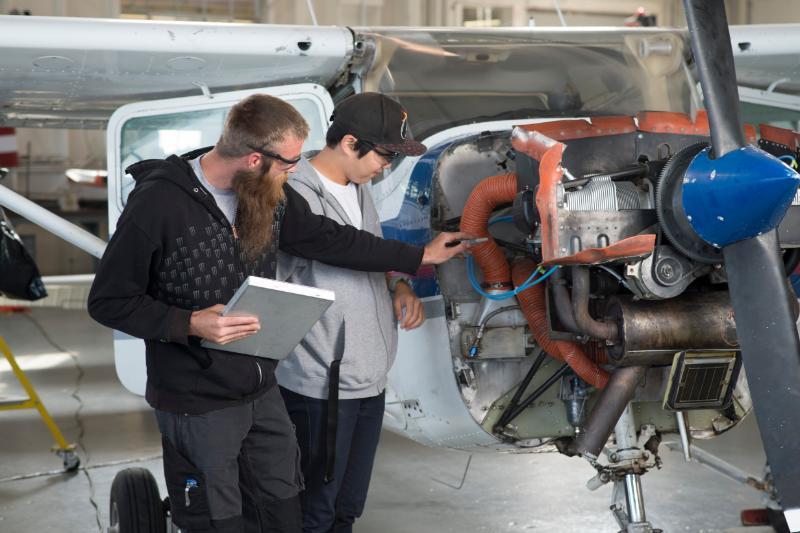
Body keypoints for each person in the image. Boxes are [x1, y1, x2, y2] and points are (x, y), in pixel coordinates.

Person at [87, 93, 469, 533]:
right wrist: (190, 322)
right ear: (253, 159)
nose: (295, 170)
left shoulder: (269, 196)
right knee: (219, 521)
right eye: (289, 163)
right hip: (196, 399)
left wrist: (416, 256)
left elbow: (332, 239)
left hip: (261, 389)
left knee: (286, 514)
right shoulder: (159, 205)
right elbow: (109, 301)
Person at [276, 93, 425, 533]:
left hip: (367, 381)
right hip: (320, 386)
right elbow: (339, 247)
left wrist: (398, 282)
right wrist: (419, 256)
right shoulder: (292, 194)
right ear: (349, 142)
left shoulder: (360, 189)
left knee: (347, 508)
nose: (388, 165)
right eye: (385, 154)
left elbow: (368, 254)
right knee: (314, 511)